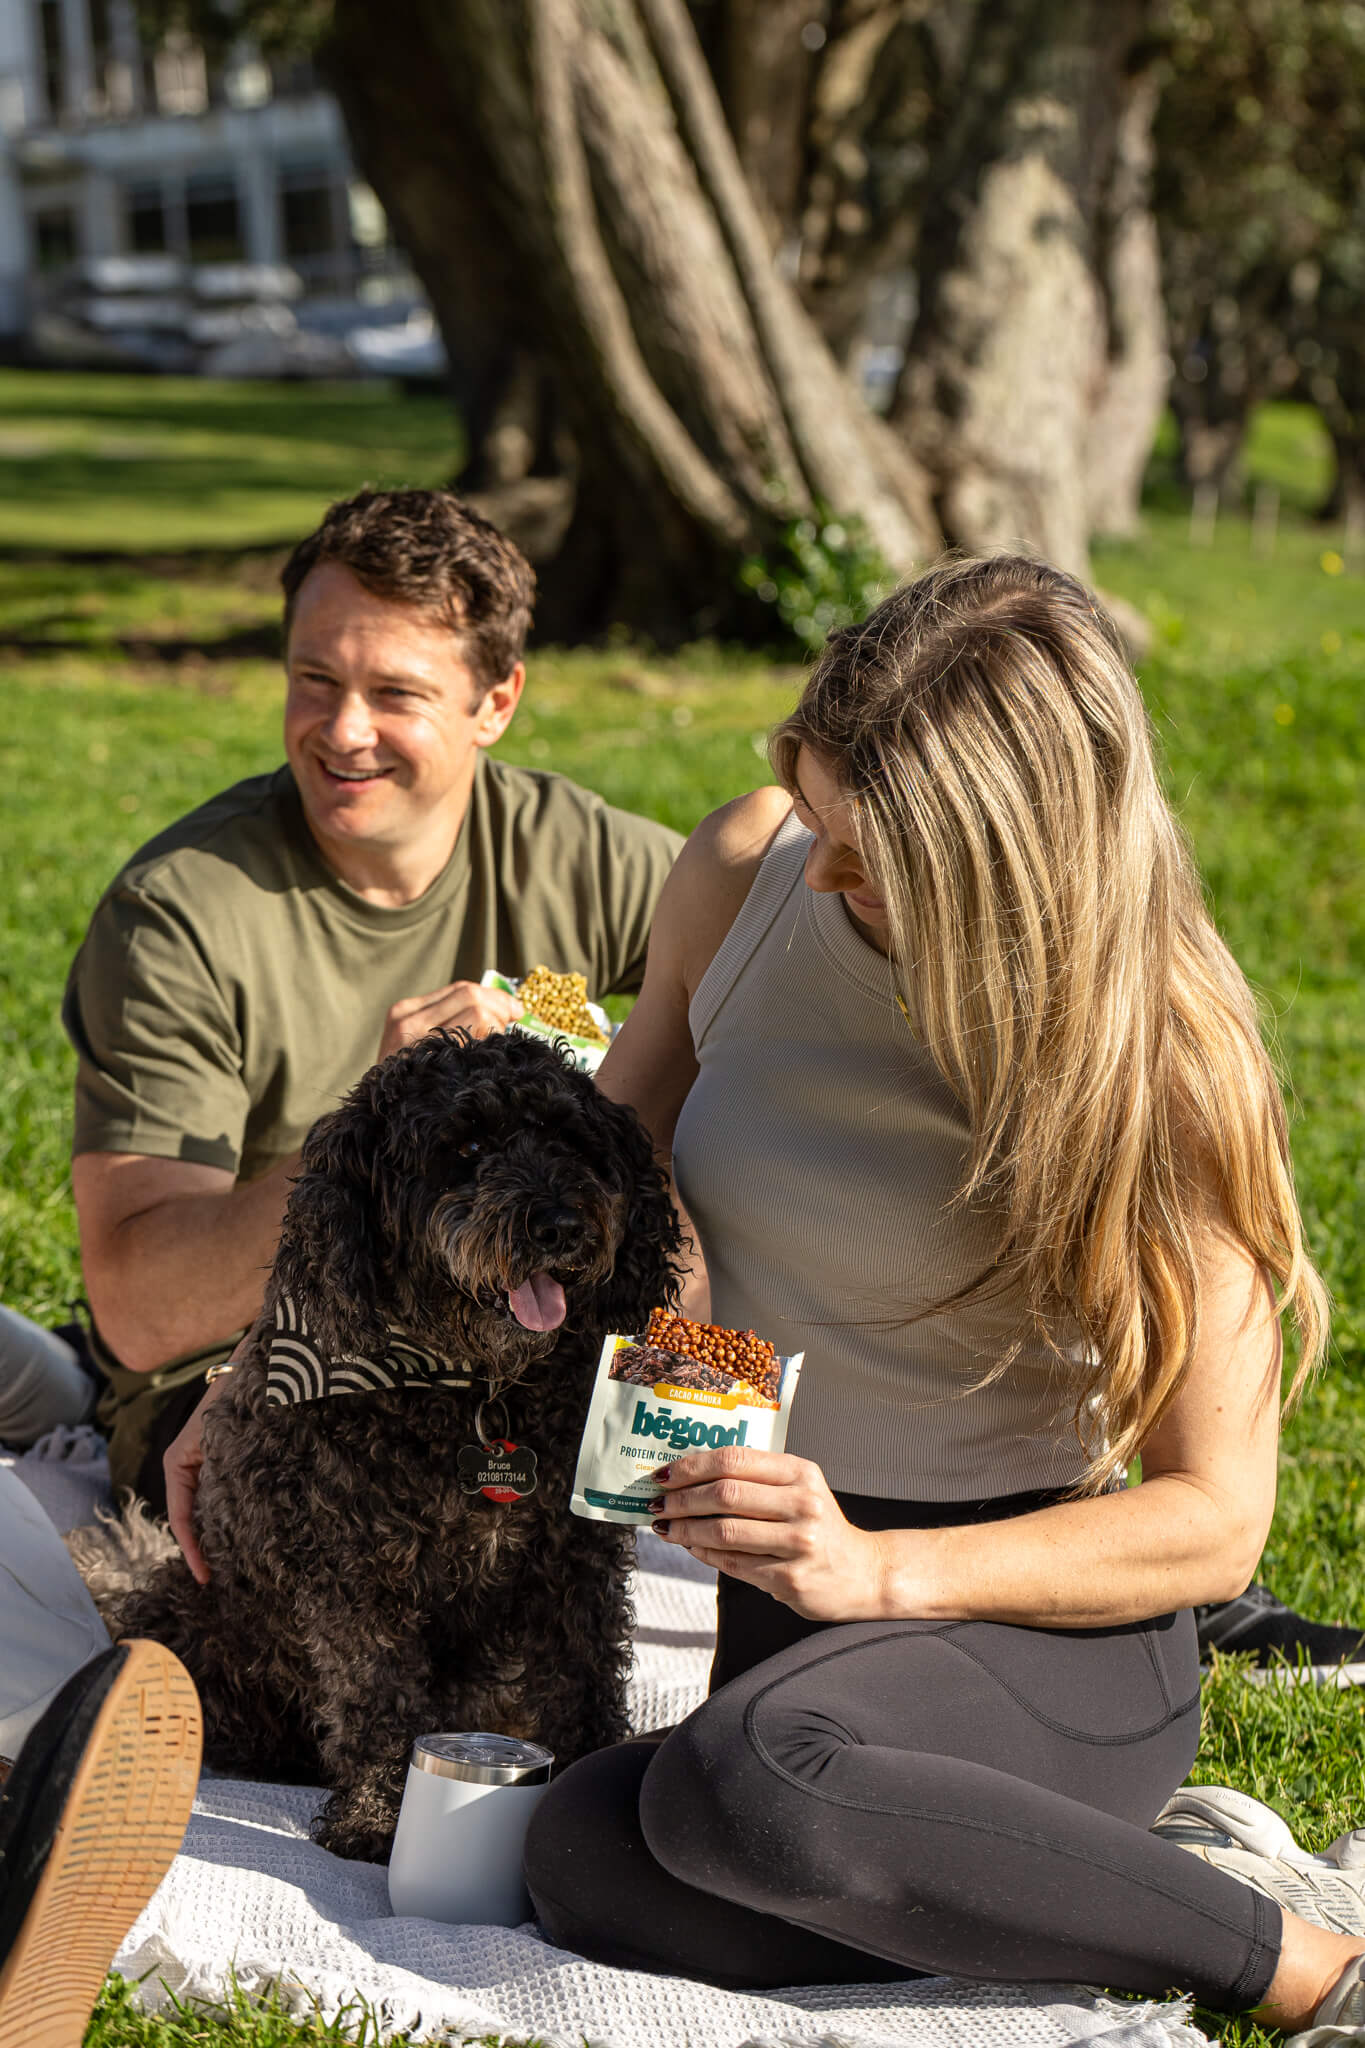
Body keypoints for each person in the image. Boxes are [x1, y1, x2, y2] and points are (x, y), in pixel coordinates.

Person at [514, 555, 1365, 2038]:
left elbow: (1215, 1520)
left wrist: (881, 1575)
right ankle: (1064, 1886)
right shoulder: (746, 873)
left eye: (872, 851)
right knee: (584, 1858)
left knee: (742, 1789)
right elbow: (613, 1154)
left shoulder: (1158, 1066)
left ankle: (1304, 1967)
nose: (823, 871)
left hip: (1034, 1636)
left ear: (1011, 861)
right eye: (822, 815)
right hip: (796, 1620)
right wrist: (665, 1270)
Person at [40, 486, 680, 1518]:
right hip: (260, 1374)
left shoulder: (583, 855)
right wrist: (372, 1128)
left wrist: (604, 1048)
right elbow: (141, 1310)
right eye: (314, 678)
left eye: (396, 692)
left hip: (537, 1346)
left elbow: (790, 951)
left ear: (496, 702)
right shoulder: (183, 914)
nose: (343, 731)